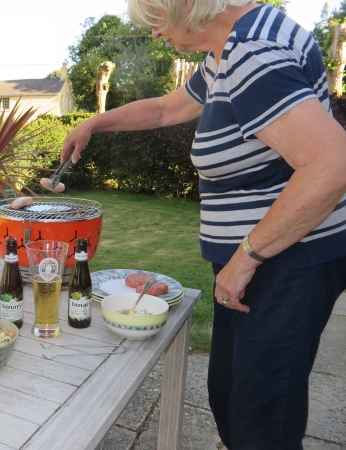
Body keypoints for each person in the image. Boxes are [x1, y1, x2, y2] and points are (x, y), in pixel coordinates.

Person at [61, 1, 346, 449]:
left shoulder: (251, 52)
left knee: (260, 422)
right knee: (229, 395)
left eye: (155, 18)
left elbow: (332, 164)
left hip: (285, 261)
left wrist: (246, 258)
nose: (154, 34)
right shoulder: (227, 51)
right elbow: (165, 109)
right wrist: (96, 123)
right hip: (263, 259)